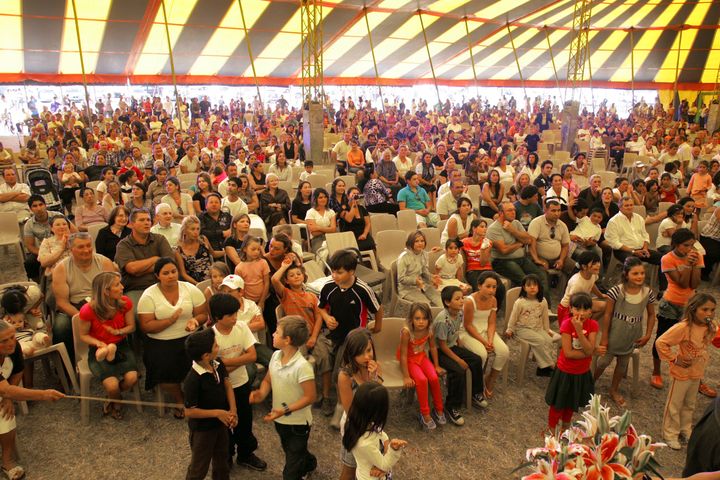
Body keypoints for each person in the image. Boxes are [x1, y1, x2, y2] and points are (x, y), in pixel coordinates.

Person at [249, 316, 317, 480]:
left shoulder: (302, 367)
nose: (272, 334)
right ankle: (309, 464)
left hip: (298, 424)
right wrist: (261, 393)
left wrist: (284, 410)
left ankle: (299, 469)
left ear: (287, 340)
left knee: (290, 472)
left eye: (277, 332)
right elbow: (267, 379)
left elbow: (310, 396)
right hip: (280, 420)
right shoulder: (275, 356)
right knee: (291, 449)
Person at [138, 257, 206, 418]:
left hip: (188, 338)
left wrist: (195, 321)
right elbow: (146, 326)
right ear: (157, 276)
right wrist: (170, 321)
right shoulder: (148, 295)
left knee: (202, 362)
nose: (171, 276)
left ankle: (195, 395)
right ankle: (179, 398)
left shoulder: (190, 289)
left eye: (174, 271)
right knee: (164, 367)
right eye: (166, 273)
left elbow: (203, 314)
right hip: (160, 341)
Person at [207, 293, 267, 471]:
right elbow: (211, 368)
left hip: (241, 383)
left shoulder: (241, 326)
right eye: (231, 315)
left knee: (245, 420)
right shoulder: (210, 336)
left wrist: (223, 364)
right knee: (223, 425)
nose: (236, 318)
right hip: (220, 389)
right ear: (218, 317)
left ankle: (245, 454)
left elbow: (253, 355)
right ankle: (225, 456)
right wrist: (240, 358)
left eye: (236, 313)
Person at [319, 250, 383, 413]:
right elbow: (321, 308)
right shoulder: (328, 287)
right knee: (342, 370)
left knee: (348, 372)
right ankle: (345, 399)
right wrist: (326, 318)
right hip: (336, 336)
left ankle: (347, 406)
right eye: (332, 271)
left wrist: (377, 327)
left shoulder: (363, 289)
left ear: (352, 271)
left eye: (339, 272)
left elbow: (378, 308)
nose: (334, 275)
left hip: (357, 339)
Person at [0, 320, 65, 480]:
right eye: (3, 341)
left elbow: (17, 372)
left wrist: (8, 399)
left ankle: (7, 461)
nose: (10, 343)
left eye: (12, 337)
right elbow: (5, 389)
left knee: (5, 416)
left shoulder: (14, 348)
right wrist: (43, 394)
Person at [656, 293, 718, 450]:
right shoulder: (683, 327)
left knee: (690, 404)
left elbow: (714, 342)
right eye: (705, 309)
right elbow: (661, 342)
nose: (709, 314)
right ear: (694, 309)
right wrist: (675, 359)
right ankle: (670, 433)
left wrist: (713, 331)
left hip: (696, 372)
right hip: (681, 373)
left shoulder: (710, 326)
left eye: (712, 310)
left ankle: (685, 429)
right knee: (675, 404)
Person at [271, 257, 332, 409]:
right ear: (287, 281)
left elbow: (318, 317)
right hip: (295, 337)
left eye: (298, 274)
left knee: (325, 357)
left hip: (313, 334)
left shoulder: (312, 296)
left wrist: (313, 337)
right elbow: (274, 279)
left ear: (304, 276)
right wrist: (284, 266)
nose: (296, 277)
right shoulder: (285, 294)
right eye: (291, 276)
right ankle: (304, 394)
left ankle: (326, 396)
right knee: (300, 362)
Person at [78, 272, 138, 420]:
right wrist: (98, 343)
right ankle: (116, 403)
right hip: (100, 350)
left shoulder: (125, 303)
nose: (123, 287)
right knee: (112, 385)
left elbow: (131, 327)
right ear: (106, 291)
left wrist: (117, 331)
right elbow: (83, 335)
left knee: (132, 378)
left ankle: (112, 398)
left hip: (121, 345)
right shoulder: (88, 310)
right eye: (117, 285)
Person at [652, 229, 703, 390]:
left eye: (692, 245)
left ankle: (696, 377)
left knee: (693, 342)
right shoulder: (667, 258)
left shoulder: (696, 256)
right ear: (675, 244)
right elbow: (680, 283)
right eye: (686, 245)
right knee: (662, 338)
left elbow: (694, 284)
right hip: (671, 304)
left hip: (690, 305)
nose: (690, 249)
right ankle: (656, 371)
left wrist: (694, 265)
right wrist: (687, 264)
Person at [182, 328, 236, 480]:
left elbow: (227, 384)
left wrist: (233, 410)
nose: (218, 347)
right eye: (216, 346)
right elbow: (189, 412)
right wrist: (217, 413)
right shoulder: (192, 380)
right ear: (205, 355)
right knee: (199, 467)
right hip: (202, 431)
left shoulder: (217, 363)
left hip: (221, 425)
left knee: (222, 461)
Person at [544, 292, 602, 433]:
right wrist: (590, 351)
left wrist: (581, 334)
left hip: (581, 372)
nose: (581, 313)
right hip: (565, 371)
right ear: (570, 309)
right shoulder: (566, 324)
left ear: (591, 311)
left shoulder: (593, 325)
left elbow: (588, 350)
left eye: (585, 309)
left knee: (571, 403)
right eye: (577, 309)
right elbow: (569, 353)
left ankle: (565, 428)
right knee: (557, 404)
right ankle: (551, 430)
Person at [342, 382, 407, 480]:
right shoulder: (365, 444)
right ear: (378, 412)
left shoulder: (362, 424)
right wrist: (394, 450)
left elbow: (380, 433)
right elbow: (384, 465)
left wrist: (386, 445)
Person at [398, 302, 445, 431]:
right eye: (417, 318)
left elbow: (433, 347)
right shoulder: (407, 332)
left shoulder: (429, 329)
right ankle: (425, 414)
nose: (421, 322)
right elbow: (402, 355)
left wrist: (436, 365)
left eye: (424, 318)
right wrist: (406, 376)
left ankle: (439, 409)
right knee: (422, 380)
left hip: (421, 356)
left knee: (434, 378)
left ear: (429, 319)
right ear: (411, 319)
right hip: (409, 359)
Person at [460, 271, 507, 400]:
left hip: (486, 330)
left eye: (494, 287)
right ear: (479, 286)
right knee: (482, 354)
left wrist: (490, 340)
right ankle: (473, 384)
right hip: (469, 332)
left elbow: (492, 323)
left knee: (504, 351)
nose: (491, 290)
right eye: (488, 286)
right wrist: (484, 342)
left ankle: (490, 378)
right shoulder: (469, 301)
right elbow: (468, 325)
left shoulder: (494, 300)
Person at [487, 202, 549, 299]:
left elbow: (528, 240)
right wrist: (520, 243)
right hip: (502, 261)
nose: (513, 212)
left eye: (514, 210)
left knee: (541, 275)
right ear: (501, 213)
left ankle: (544, 305)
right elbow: (504, 250)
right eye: (509, 210)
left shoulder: (516, 223)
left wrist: (513, 231)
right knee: (524, 279)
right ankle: (529, 305)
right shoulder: (493, 229)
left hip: (521, 259)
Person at [115, 209, 174, 308]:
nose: (146, 223)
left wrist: (139, 271)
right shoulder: (124, 245)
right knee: (139, 314)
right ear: (131, 224)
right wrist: (155, 259)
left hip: (162, 284)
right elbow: (132, 269)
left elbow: (170, 264)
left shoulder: (160, 239)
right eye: (142, 220)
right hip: (137, 288)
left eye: (148, 220)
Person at [604, 196, 665, 290]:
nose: (629, 207)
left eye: (631, 205)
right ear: (620, 207)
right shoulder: (613, 221)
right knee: (633, 263)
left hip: (641, 248)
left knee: (663, 259)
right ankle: (630, 290)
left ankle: (662, 289)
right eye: (626, 205)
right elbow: (614, 243)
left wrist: (645, 248)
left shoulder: (638, 218)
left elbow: (645, 235)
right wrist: (633, 251)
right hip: (623, 250)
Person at [505, 274, 559, 377]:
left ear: (539, 287)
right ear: (524, 288)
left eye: (535, 285)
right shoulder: (520, 302)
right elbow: (513, 317)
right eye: (529, 285)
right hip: (522, 329)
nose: (532, 287)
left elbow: (544, 318)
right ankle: (552, 365)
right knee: (540, 340)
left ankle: (542, 368)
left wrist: (547, 330)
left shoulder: (542, 301)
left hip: (537, 328)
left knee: (548, 340)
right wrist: (510, 329)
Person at [23, 195, 74, 281]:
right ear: (30, 209)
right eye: (35, 206)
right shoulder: (29, 224)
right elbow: (30, 246)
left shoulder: (58, 216)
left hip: (65, 244)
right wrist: (45, 252)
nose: (39, 208)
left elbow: (75, 232)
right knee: (29, 263)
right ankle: (41, 284)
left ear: (45, 205)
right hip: (43, 248)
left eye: (41, 204)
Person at [556, 251, 607, 326]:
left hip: (582, 302)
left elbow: (592, 284)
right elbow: (572, 303)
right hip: (568, 309)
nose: (598, 265)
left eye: (598, 262)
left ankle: (588, 325)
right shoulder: (576, 283)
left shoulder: (593, 274)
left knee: (606, 306)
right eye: (594, 263)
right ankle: (584, 325)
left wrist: (601, 296)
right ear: (584, 266)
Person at [396, 231, 442, 307]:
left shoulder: (423, 254)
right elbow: (401, 279)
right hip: (407, 289)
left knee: (439, 298)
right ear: (410, 242)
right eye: (416, 241)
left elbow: (424, 271)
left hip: (422, 284)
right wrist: (415, 281)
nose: (420, 243)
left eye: (422, 241)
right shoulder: (404, 257)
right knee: (425, 305)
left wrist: (432, 278)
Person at [528, 199, 571, 277]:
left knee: (575, 268)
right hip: (540, 257)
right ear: (545, 210)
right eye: (553, 211)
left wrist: (561, 259)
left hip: (558, 257)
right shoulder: (536, 223)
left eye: (559, 210)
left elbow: (565, 246)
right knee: (542, 272)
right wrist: (536, 259)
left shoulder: (563, 225)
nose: (557, 213)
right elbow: (531, 243)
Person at [175, 216, 214, 285]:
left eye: (198, 229)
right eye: (192, 229)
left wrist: (226, 251)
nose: (196, 232)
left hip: (211, 278)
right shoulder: (178, 250)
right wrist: (198, 284)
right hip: (193, 282)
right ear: (185, 230)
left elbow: (213, 253)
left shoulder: (203, 240)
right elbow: (183, 274)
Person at [234, 236, 270, 309]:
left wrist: (262, 301)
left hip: (265, 299)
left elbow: (266, 283)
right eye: (253, 249)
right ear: (245, 249)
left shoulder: (263, 263)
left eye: (258, 250)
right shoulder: (239, 268)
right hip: (249, 302)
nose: (256, 252)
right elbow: (240, 288)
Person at [338, 186, 375, 252]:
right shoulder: (343, 208)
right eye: (354, 194)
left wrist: (364, 234)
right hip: (349, 236)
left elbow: (368, 223)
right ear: (348, 196)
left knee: (371, 244)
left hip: (362, 234)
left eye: (357, 194)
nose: (356, 195)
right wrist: (353, 205)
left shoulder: (362, 208)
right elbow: (349, 219)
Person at [305, 188, 336, 253]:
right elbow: (314, 233)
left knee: (337, 252)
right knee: (324, 253)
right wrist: (328, 229)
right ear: (315, 199)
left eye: (325, 197)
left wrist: (318, 228)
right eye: (320, 197)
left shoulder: (331, 212)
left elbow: (333, 230)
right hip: (317, 239)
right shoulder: (310, 212)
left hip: (331, 237)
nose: (323, 199)